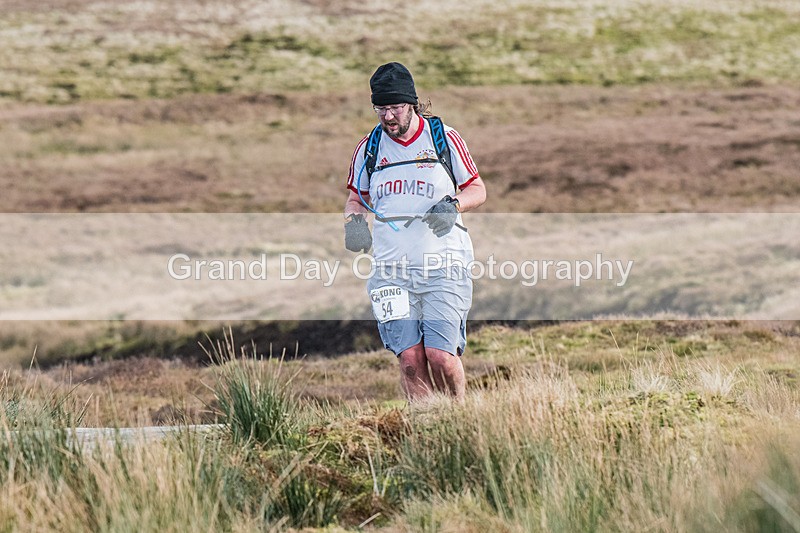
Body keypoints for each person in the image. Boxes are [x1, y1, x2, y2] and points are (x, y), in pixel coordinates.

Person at [343, 62, 487, 401]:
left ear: (412, 103)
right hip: (391, 273)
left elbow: (477, 189)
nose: (389, 117)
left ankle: (460, 418)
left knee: (440, 356)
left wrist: (453, 205)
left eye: (395, 107)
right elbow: (355, 199)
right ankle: (426, 427)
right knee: (410, 360)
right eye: (381, 109)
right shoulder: (369, 148)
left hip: (444, 268)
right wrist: (354, 225)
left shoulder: (443, 138)